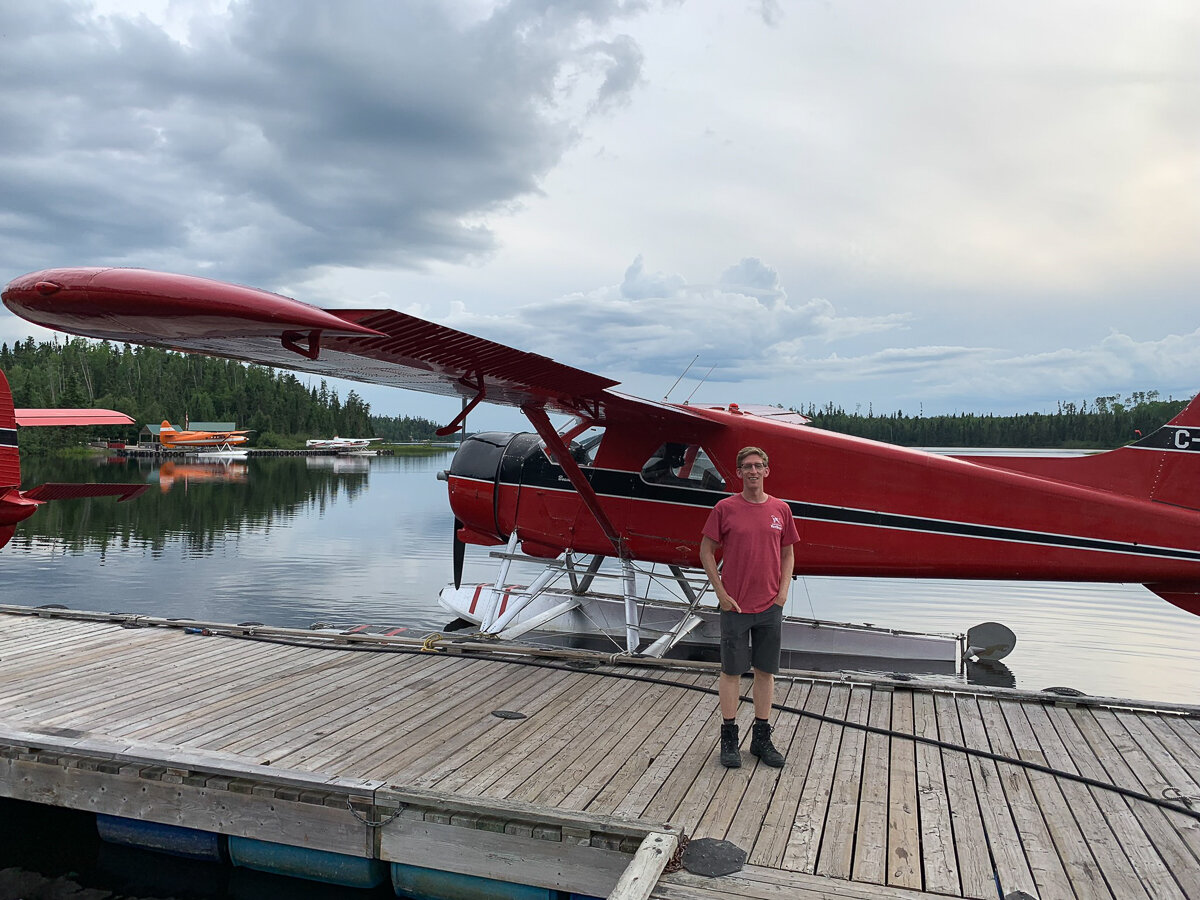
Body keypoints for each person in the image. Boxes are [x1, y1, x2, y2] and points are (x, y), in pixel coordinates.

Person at [699, 446, 799, 768]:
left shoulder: (781, 510)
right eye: (746, 467)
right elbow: (705, 551)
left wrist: (782, 594)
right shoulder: (724, 508)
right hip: (735, 606)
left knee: (765, 672)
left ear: (767, 471)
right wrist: (720, 592)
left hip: (770, 605)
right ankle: (729, 738)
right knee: (730, 672)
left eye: (758, 466)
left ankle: (761, 739)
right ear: (739, 473)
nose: (753, 471)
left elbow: (788, 553)